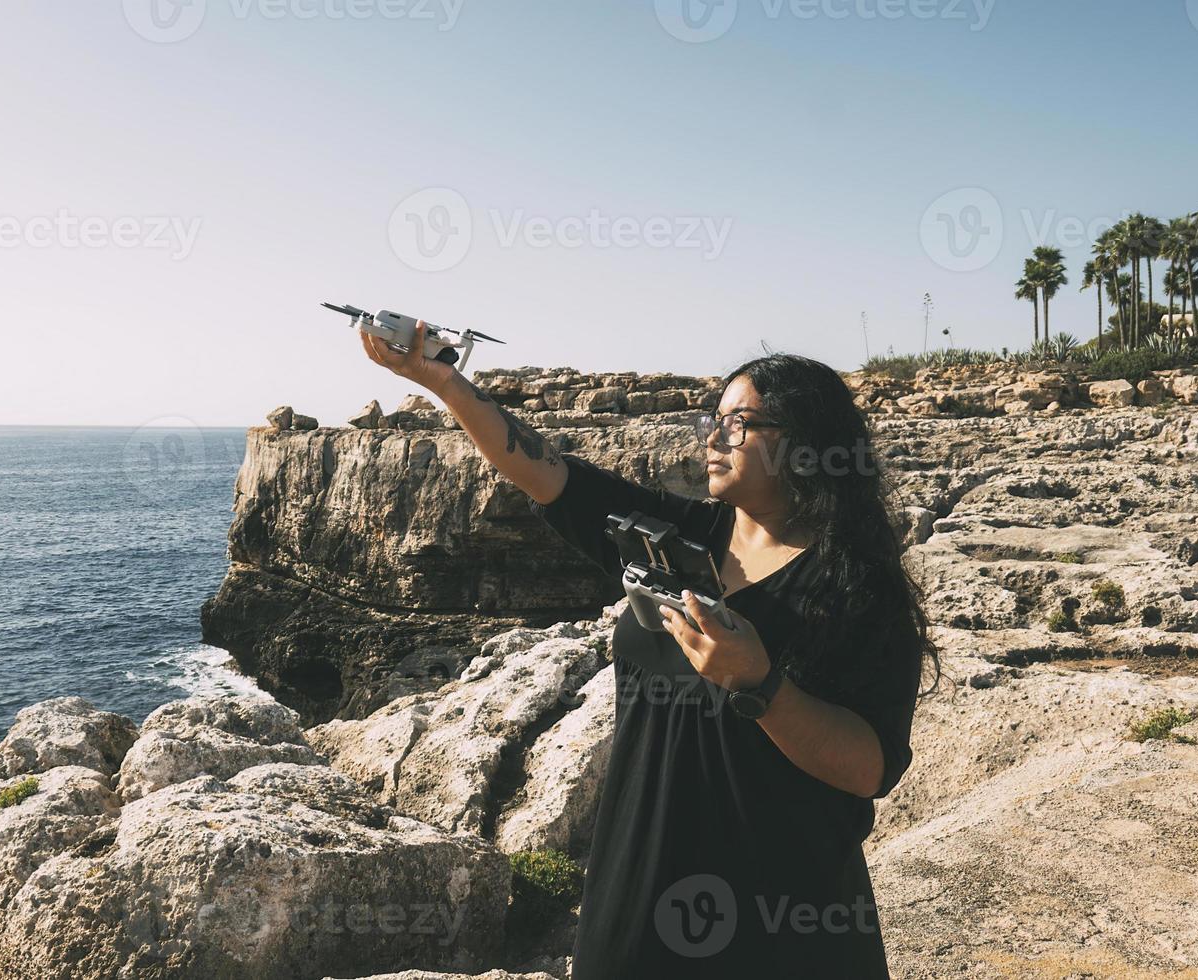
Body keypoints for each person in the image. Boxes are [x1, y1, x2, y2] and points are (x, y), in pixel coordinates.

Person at [361, 323, 941, 979]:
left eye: (739, 423)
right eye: (713, 419)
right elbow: (540, 469)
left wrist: (762, 686)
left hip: (784, 924)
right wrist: (442, 380)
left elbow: (871, 767)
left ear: (803, 443)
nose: (714, 438)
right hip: (638, 894)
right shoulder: (672, 536)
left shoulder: (858, 587)